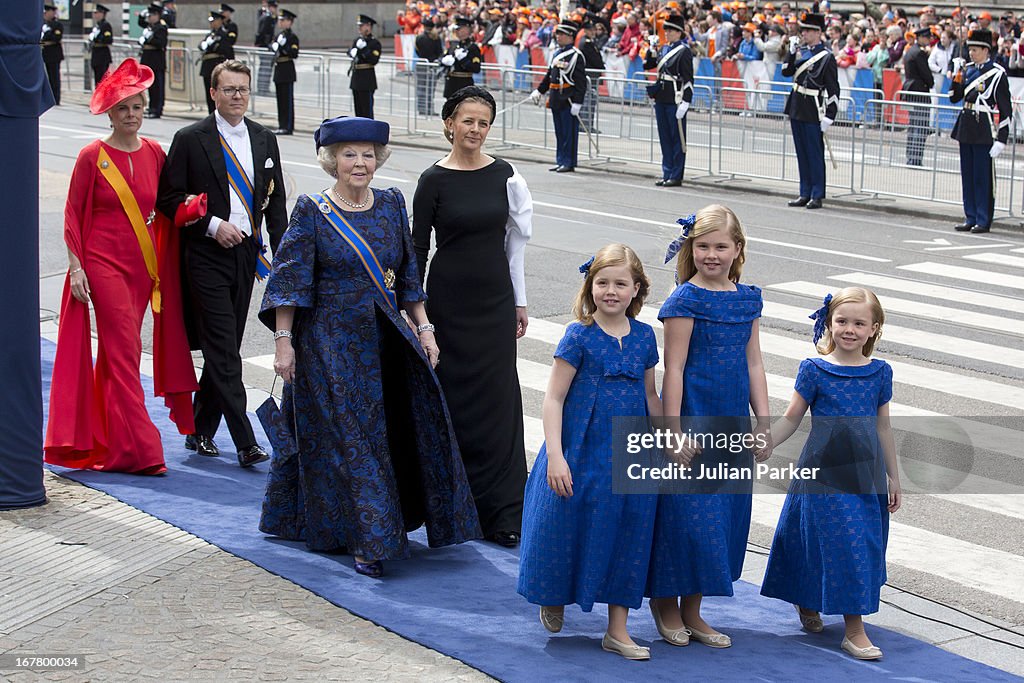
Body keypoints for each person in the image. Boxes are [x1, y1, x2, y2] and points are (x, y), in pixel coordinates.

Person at [259, 116, 482, 578]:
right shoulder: (312, 211)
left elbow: (408, 273)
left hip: (385, 340)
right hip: (328, 342)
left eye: (366, 154)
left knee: (393, 433)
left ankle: (359, 523)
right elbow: (289, 281)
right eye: (348, 154)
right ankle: (370, 541)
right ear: (331, 160)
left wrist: (424, 328)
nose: (359, 163)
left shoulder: (391, 204)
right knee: (352, 441)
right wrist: (285, 343)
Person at [45, 59, 197, 475]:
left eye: (137, 107)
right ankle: (143, 448)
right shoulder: (92, 156)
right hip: (102, 263)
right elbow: (73, 214)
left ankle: (110, 445)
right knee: (125, 351)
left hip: (142, 268)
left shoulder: (154, 153)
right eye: (123, 108)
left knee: (117, 356)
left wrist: (191, 209)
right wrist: (77, 267)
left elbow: (167, 207)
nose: (131, 115)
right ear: (110, 113)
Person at [518, 244, 660, 661]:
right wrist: (558, 457)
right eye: (602, 282)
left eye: (620, 283)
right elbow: (554, 399)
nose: (610, 291)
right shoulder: (578, 334)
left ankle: (617, 629)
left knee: (629, 531)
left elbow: (650, 395)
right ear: (590, 286)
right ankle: (554, 594)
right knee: (566, 521)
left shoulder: (646, 337)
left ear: (637, 289)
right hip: (580, 445)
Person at [412, 86, 532, 547]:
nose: (475, 130)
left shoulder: (506, 175)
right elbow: (417, 249)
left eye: (483, 122)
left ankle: (503, 512)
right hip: (447, 302)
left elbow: (515, 245)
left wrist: (520, 302)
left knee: (499, 402)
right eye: (467, 120)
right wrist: (416, 313)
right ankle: (452, 507)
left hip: (494, 301)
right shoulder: (433, 180)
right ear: (449, 123)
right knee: (452, 402)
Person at [647, 205, 770, 649]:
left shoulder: (748, 298)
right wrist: (673, 431)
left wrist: (763, 422)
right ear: (689, 248)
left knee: (718, 520)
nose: (712, 254)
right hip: (694, 420)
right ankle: (665, 604)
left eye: (721, 246)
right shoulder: (685, 300)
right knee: (685, 517)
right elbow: (673, 369)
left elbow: (754, 363)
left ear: (738, 249)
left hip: (732, 423)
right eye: (703, 246)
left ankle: (694, 611)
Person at [157, 60, 288, 468]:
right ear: (213, 93)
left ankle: (199, 429)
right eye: (229, 89)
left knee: (225, 346)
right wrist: (212, 225)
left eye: (243, 90)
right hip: (205, 253)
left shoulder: (264, 139)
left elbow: (276, 204)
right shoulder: (190, 139)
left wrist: (285, 258)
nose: (237, 96)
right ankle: (245, 440)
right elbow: (168, 198)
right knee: (222, 345)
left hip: (247, 255)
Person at [760, 287, 901, 661]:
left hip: (865, 475)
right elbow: (792, 417)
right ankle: (853, 630)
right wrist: (767, 442)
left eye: (859, 323)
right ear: (828, 323)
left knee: (861, 544)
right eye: (842, 321)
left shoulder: (880, 373)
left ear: (874, 329)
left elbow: (883, 428)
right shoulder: (814, 369)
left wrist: (893, 476)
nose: (849, 329)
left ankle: (814, 602)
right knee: (839, 542)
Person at [950, 28, 1011, 234]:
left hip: (983, 126)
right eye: (970, 50)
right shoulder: (967, 69)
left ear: (986, 50)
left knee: (982, 177)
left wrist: (1002, 139)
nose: (971, 54)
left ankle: (983, 219)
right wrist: (957, 76)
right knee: (967, 175)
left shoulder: (997, 73)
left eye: (975, 50)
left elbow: (1005, 110)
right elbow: (954, 97)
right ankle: (971, 216)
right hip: (966, 125)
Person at [782, 11, 839, 209]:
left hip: (813, 109)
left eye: (807, 31)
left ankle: (817, 193)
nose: (803, 34)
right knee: (802, 153)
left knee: (814, 154)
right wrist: (790, 51)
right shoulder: (802, 52)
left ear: (818, 33)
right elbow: (786, 71)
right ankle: (804, 192)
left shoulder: (826, 57)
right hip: (797, 105)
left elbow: (833, 89)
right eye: (803, 30)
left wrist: (830, 116)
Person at [530, 19, 587, 173]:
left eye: (561, 34)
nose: (558, 37)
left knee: (569, 134)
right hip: (556, 97)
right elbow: (550, 76)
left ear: (570, 36)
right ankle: (561, 159)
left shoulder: (576, 56)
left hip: (568, 98)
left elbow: (581, 82)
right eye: (557, 34)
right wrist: (539, 91)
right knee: (560, 133)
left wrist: (578, 102)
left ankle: (569, 161)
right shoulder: (557, 53)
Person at [644, 13, 693, 187]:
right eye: (666, 30)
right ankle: (667, 171)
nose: (667, 33)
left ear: (679, 32)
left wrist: (686, 102)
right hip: (661, 97)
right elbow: (648, 65)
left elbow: (688, 79)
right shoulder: (664, 49)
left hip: (675, 98)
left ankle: (676, 174)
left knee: (676, 139)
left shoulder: (684, 51)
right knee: (664, 137)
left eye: (671, 30)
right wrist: (651, 49)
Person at [903, 27, 934, 166]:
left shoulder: (911, 51)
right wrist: (930, 82)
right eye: (927, 37)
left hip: (911, 90)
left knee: (913, 125)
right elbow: (926, 75)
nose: (928, 40)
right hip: (919, 90)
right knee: (920, 126)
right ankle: (915, 158)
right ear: (920, 38)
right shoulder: (919, 53)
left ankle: (911, 156)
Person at [271, 8, 299, 135]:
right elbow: (270, 46)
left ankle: (288, 126)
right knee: (280, 100)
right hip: (279, 69)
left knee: (287, 101)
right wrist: (274, 46)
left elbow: (294, 53)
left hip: (287, 70)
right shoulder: (279, 36)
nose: (280, 22)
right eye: (280, 20)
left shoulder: (292, 37)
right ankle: (281, 124)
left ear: (290, 22)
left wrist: (283, 47)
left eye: (283, 20)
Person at [349, 15, 382, 119]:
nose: (359, 28)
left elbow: (374, 60)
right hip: (356, 78)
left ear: (368, 26)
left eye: (362, 26)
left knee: (367, 111)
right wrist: (351, 52)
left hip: (367, 79)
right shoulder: (357, 40)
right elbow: (352, 52)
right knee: (358, 111)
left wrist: (364, 50)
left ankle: (369, 134)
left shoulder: (374, 43)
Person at [138, 3, 168, 119]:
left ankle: (157, 109)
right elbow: (140, 22)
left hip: (156, 60)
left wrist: (148, 39)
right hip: (148, 59)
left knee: (158, 87)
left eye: (152, 15)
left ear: (157, 15)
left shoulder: (161, 27)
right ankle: (152, 107)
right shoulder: (150, 27)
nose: (149, 17)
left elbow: (161, 43)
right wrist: (141, 15)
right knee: (150, 86)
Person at [441, 17, 482, 98]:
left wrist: (463, 60)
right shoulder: (454, 45)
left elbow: (476, 68)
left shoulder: (472, 47)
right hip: (451, 85)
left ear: (466, 30)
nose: (457, 32)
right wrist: (443, 61)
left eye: (459, 29)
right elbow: (442, 57)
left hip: (463, 85)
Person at [199, 10, 231, 114]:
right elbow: (201, 45)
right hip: (207, 67)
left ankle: (219, 115)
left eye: (214, 21)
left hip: (216, 66)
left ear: (220, 21)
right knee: (209, 94)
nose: (211, 23)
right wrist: (203, 45)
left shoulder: (224, 35)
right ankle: (211, 115)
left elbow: (226, 51)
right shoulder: (210, 34)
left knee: (217, 94)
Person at [579, 17, 606, 133]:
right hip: (590, 74)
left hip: (591, 74)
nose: (593, 32)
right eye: (591, 30)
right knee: (589, 100)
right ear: (585, 31)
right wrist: (601, 66)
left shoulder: (589, 42)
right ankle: (586, 125)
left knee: (590, 99)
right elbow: (594, 59)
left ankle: (586, 124)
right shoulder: (586, 43)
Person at [415, 18, 443, 116]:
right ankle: (429, 108)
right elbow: (440, 51)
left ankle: (421, 108)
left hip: (422, 63)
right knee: (431, 88)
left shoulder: (419, 37)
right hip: (432, 64)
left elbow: (417, 50)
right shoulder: (436, 38)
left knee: (421, 87)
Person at [41, 3, 64, 106]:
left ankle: (56, 98)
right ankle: (48, 98)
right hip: (45, 53)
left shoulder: (57, 25)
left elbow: (56, 38)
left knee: (54, 77)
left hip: (54, 54)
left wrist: (45, 41)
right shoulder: (43, 25)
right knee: (47, 77)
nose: (45, 14)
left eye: (48, 12)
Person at [254, 0, 278, 96]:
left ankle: (263, 88)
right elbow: (263, 32)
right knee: (265, 67)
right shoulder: (266, 17)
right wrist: (268, 43)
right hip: (265, 45)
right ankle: (263, 88)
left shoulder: (268, 17)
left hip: (265, 45)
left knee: (266, 67)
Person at [88, 4, 114, 86]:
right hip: (96, 54)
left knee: (102, 80)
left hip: (102, 55)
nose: (95, 15)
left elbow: (108, 40)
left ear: (103, 14)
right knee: (97, 80)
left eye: (97, 13)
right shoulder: (97, 26)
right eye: (95, 13)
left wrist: (98, 39)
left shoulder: (106, 25)